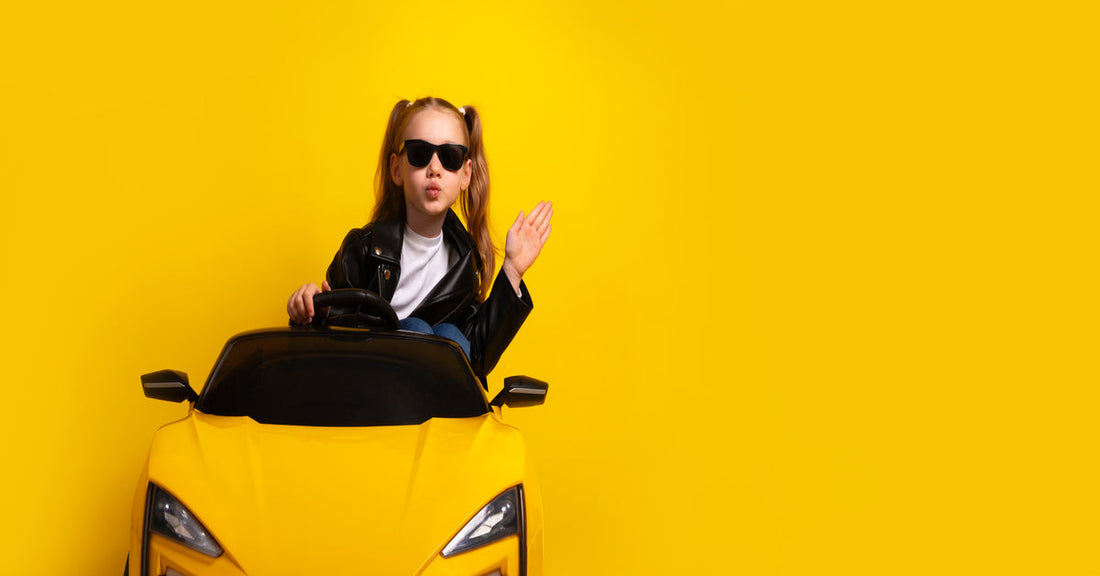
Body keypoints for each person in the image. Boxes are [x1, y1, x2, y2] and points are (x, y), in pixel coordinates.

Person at [287, 96, 552, 384]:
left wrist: (512, 270)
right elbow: (330, 340)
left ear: (465, 175)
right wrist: (312, 311)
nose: (435, 168)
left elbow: (477, 356)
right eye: (419, 153)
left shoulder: (464, 263)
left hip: (438, 405)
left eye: (449, 156)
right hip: (371, 392)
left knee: (450, 336)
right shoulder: (363, 247)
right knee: (417, 328)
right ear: (396, 169)